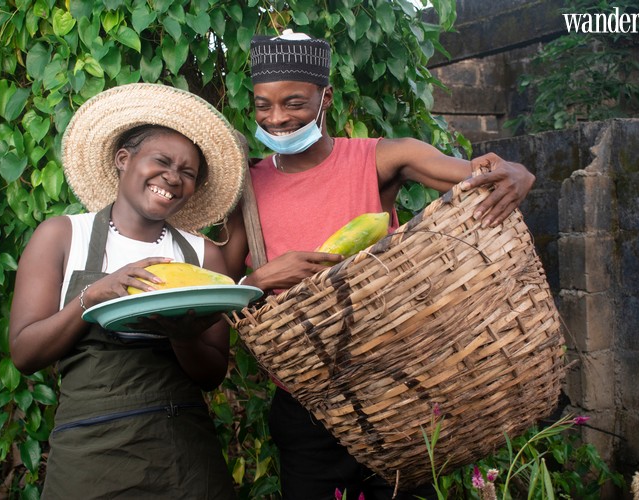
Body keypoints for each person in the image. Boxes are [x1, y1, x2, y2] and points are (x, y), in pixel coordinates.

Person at [219, 32, 537, 500]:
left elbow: (477, 174)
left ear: (326, 97)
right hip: (307, 406)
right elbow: (222, 290)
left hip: (395, 394)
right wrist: (261, 278)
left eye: (294, 103)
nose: (277, 118)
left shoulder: (379, 158)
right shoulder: (247, 188)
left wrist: (516, 173)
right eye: (263, 105)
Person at [9, 83, 246, 499]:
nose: (173, 177)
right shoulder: (63, 236)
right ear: (123, 159)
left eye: (188, 173)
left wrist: (182, 336)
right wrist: (92, 296)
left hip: (183, 456)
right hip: (89, 454)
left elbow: (211, 375)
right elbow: (25, 354)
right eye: (162, 161)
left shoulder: (201, 254)